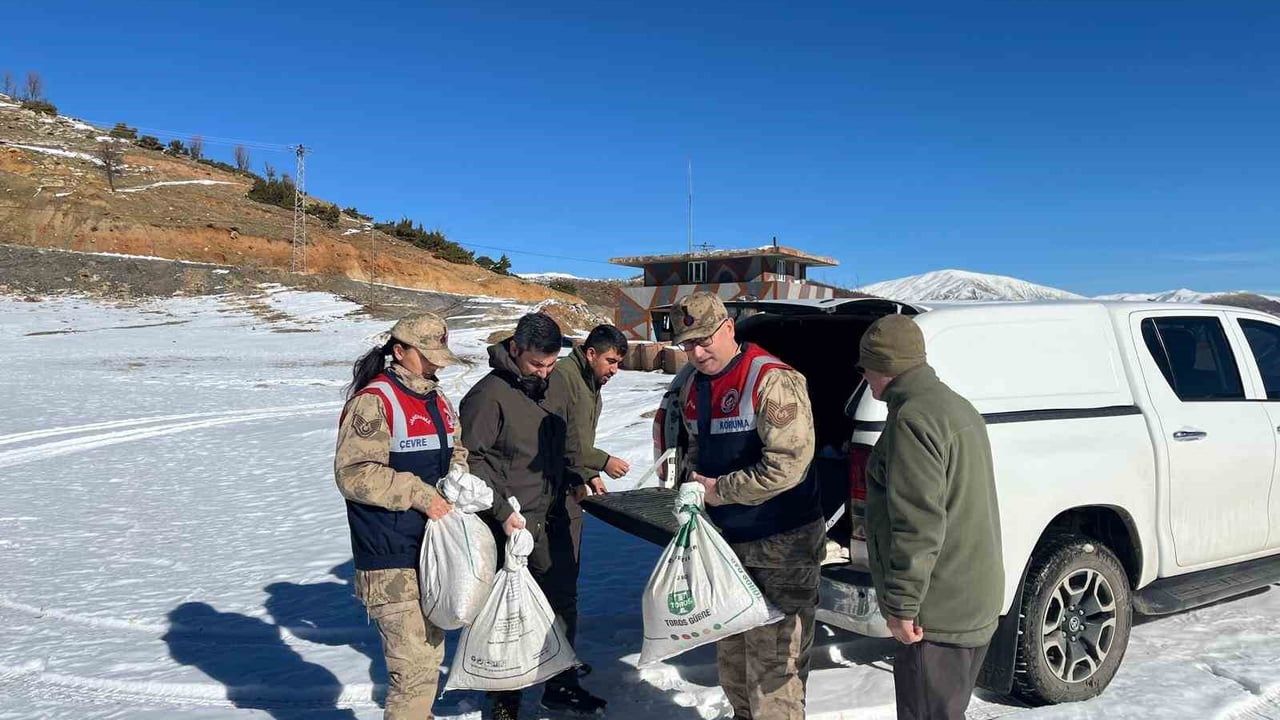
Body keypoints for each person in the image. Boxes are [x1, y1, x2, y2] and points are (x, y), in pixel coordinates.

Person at [673, 292, 823, 720]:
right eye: (687, 344)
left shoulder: (771, 378)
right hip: (727, 545)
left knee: (774, 672)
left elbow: (788, 465)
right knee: (735, 665)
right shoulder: (694, 383)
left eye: (704, 340)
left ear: (728, 329)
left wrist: (720, 490)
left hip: (782, 543)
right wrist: (689, 490)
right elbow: (694, 450)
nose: (697, 352)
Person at [459, 312, 607, 719]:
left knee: (562, 600)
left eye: (550, 365)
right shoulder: (487, 396)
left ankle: (559, 683)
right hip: (510, 524)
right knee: (509, 612)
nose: (544, 373)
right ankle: (505, 701)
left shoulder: (555, 385)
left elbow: (564, 444)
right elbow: (469, 461)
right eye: (536, 365)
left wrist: (579, 476)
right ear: (515, 349)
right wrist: (502, 510)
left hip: (556, 512)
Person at [859, 315, 1004, 720]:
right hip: (969, 598)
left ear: (884, 367)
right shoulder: (955, 406)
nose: (865, 377)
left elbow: (918, 523)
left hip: (937, 612)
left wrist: (903, 606)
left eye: (866, 366)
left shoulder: (912, 419)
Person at [333, 312, 465, 720]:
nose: (436, 363)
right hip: (390, 555)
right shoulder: (375, 400)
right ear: (399, 351)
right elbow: (353, 473)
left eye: (439, 355)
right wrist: (419, 494)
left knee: (428, 657)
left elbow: (455, 450)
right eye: (426, 355)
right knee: (413, 669)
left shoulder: (437, 398)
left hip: (430, 549)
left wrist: (461, 478)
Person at [547, 324, 631, 557]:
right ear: (591, 354)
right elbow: (561, 441)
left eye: (618, 363)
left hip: (570, 483)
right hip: (550, 491)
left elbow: (578, 434)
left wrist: (588, 474)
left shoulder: (590, 380)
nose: (615, 370)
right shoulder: (564, 378)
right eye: (611, 361)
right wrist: (603, 462)